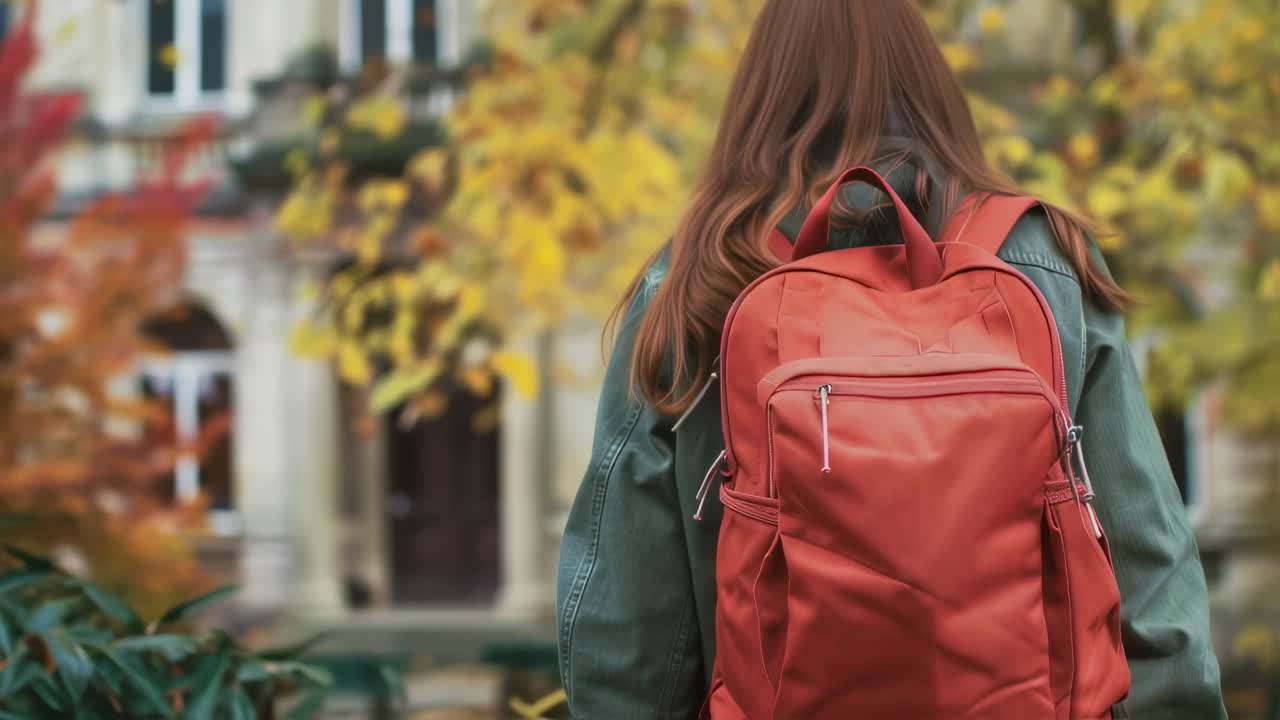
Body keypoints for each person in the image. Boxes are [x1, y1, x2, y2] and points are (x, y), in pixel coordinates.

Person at [556, 2, 1225, 718]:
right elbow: (1149, 567)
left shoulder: (700, 280)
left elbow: (625, 625)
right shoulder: (1046, 268)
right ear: (935, 90)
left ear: (759, 97)